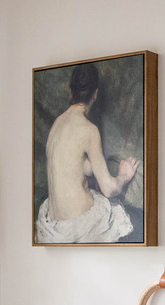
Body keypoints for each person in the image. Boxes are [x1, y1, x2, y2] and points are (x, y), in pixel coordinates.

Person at [36, 63, 140, 243]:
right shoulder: (89, 130)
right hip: (78, 225)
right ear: (95, 94)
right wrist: (124, 176)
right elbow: (108, 189)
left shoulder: (57, 125)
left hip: (53, 224)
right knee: (134, 220)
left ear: (70, 91)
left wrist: (92, 169)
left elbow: (74, 165)